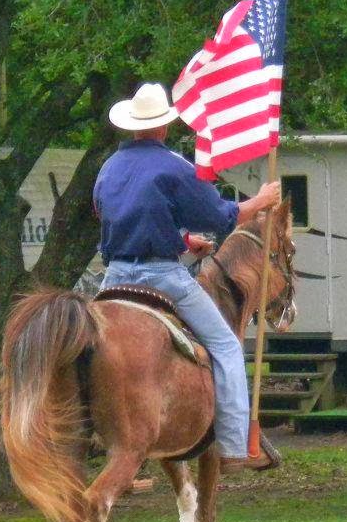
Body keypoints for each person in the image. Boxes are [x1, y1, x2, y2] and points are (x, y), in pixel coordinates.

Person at [94, 82, 282, 471]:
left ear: (132, 126)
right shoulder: (175, 167)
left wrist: (180, 239)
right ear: (164, 127)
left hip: (113, 277)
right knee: (227, 347)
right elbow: (220, 216)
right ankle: (233, 447)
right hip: (162, 276)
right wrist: (261, 202)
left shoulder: (108, 168)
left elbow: (110, 216)